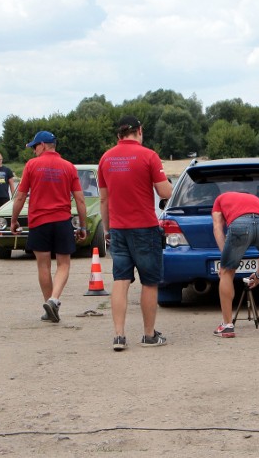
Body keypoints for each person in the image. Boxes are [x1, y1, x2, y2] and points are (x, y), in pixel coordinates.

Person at [98, 116, 173, 351]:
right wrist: (168, 184)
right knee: (149, 282)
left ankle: (119, 336)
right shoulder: (149, 155)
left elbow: (103, 198)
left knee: (121, 280)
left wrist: (107, 229)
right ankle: (149, 335)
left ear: (119, 135)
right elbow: (164, 192)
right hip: (144, 228)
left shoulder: (106, 158)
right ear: (139, 131)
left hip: (118, 229)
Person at [10, 131, 87, 323]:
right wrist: (83, 226)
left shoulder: (32, 166)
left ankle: (49, 305)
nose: (34, 151)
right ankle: (54, 301)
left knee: (43, 265)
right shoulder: (69, 167)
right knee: (64, 264)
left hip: (39, 221)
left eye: (35, 147)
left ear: (43, 145)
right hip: (62, 221)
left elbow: (20, 196)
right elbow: (80, 199)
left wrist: (14, 220)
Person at [211, 191, 259, 338]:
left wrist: (225, 260)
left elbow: (217, 226)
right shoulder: (254, 199)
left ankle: (227, 326)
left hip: (239, 224)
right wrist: (258, 274)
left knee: (226, 272)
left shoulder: (219, 200)